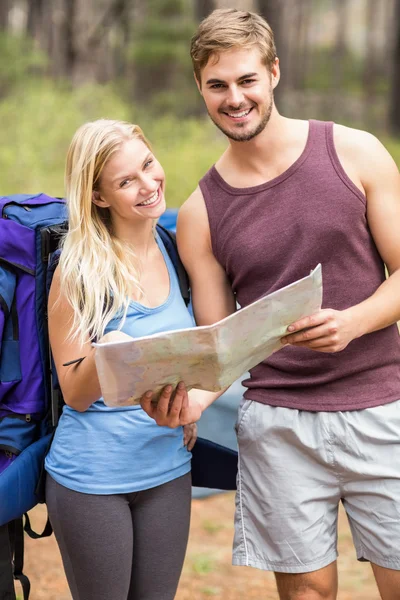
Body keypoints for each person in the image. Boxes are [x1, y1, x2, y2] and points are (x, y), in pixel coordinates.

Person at [140, 8, 400, 600]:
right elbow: (220, 344)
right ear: (200, 89)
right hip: (278, 423)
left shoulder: (355, 152)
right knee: (307, 594)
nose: (235, 98)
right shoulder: (201, 213)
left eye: (247, 80)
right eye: (218, 85)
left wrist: (353, 323)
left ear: (274, 73)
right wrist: (190, 400)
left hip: (383, 408)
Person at [44, 119, 200, 600]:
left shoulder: (172, 248)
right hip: (94, 479)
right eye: (126, 181)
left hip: (168, 469)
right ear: (99, 197)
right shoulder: (78, 270)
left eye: (148, 165)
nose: (149, 185)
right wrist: (115, 350)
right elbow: (77, 392)